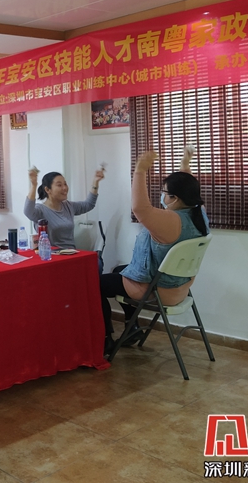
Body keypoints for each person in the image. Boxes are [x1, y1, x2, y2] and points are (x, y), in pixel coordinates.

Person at [100, 147, 209, 354]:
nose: (162, 196)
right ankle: (132, 327)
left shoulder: (170, 221)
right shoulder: (199, 214)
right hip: (180, 287)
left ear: (174, 198)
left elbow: (140, 208)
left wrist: (140, 170)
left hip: (157, 291)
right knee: (119, 270)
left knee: (95, 285)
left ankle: (105, 340)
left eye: (165, 193)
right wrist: (185, 164)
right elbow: (186, 188)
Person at [24, 167, 105, 250]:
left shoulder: (68, 206)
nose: (64, 188)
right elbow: (28, 212)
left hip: (71, 253)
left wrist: (95, 182)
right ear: (47, 189)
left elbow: (88, 205)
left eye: (65, 184)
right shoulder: (40, 210)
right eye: (59, 185)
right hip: (50, 254)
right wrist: (33, 185)